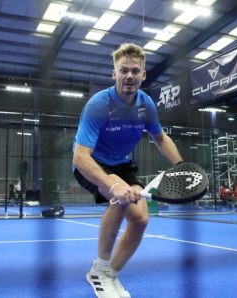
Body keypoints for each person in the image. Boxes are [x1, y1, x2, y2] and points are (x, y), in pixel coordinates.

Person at [72, 43, 183, 298]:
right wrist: (113, 185)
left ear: (143, 75)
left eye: (135, 71)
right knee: (119, 198)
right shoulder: (98, 105)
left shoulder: (146, 105)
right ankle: (99, 272)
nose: (129, 76)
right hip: (92, 162)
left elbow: (160, 138)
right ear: (114, 74)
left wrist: (181, 167)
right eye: (124, 71)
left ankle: (110, 274)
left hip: (120, 162)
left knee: (141, 219)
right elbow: (80, 158)